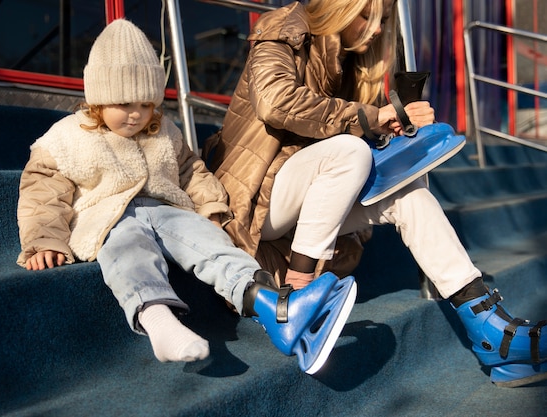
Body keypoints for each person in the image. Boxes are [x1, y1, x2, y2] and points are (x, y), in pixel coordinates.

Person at [206, 0, 547, 387]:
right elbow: (275, 101)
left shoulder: (353, 62)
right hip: (253, 203)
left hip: (308, 200)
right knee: (349, 152)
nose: (375, 29)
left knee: (409, 195)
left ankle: (489, 329)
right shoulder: (282, 31)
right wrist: (369, 118)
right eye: (366, 15)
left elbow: (343, 133)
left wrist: (394, 122)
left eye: (382, 19)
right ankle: (295, 304)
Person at [16, 18, 357, 375]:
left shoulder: (164, 130)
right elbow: (43, 191)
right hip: (108, 219)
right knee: (127, 249)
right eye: (123, 103)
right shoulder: (66, 138)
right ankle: (159, 321)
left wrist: (211, 208)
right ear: (98, 100)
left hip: (167, 211)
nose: (136, 114)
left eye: (146, 104)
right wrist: (44, 240)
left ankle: (274, 308)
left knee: (211, 243)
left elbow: (190, 170)